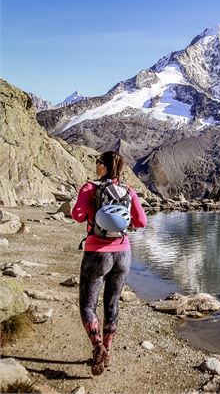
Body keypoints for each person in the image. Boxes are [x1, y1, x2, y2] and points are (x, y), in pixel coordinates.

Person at [71, 151, 147, 376]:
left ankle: (98, 348)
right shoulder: (129, 191)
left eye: (97, 163)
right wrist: (122, 220)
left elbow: (77, 215)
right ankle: (108, 350)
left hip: (97, 252)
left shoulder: (89, 188)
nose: (95, 166)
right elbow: (141, 222)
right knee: (112, 304)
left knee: (87, 305)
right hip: (123, 253)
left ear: (103, 167)